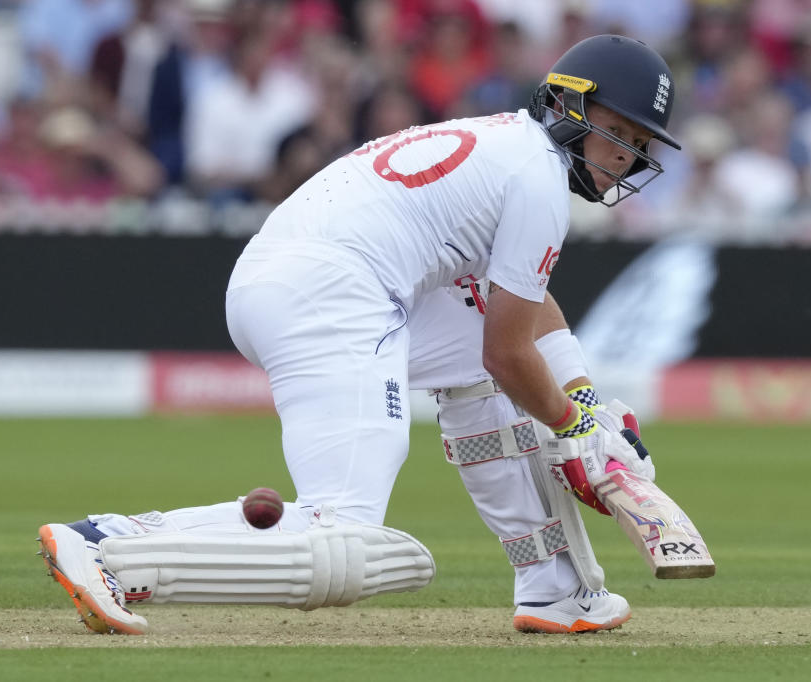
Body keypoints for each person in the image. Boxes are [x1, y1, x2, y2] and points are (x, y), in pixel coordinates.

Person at [37, 35, 679, 636]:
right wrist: (574, 430)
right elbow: (510, 352)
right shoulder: (536, 178)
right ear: (566, 102)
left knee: (474, 380)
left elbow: (525, 314)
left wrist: (591, 412)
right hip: (333, 291)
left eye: (635, 141)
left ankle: (556, 588)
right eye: (613, 130)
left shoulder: (508, 144)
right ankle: (110, 547)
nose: (622, 154)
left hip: (304, 277)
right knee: (347, 539)